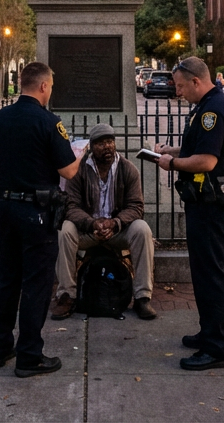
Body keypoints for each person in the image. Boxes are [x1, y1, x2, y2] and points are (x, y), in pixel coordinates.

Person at [0, 62, 82, 377]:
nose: (50, 91)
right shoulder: (49, 122)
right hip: (37, 214)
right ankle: (29, 355)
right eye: (50, 86)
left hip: (6, 210)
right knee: (36, 285)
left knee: (7, 280)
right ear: (42, 86)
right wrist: (80, 154)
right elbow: (68, 170)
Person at [156, 56, 224, 371]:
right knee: (204, 273)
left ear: (195, 81)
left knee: (210, 275)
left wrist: (172, 164)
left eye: (179, 86)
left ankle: (217, 348)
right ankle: (209, 333)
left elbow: (206, 161)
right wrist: (171, 152)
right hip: (203, 203)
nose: (177, 92)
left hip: (210, 205)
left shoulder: (213, 111)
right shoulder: (208, 105)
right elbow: (199, 149)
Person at [51, 123, 157, 321]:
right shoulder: (79, 169)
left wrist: (115, 223)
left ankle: (143, 297)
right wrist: (92, 223)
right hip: (88, 231)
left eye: (110, 142)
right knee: (64, 230)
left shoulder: (128, 169)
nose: (107, 146)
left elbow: (136, 207)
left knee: (142, 229)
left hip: (118, 231)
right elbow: (71, 206)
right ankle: (67, 295)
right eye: (100, 143)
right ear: (91, 146)